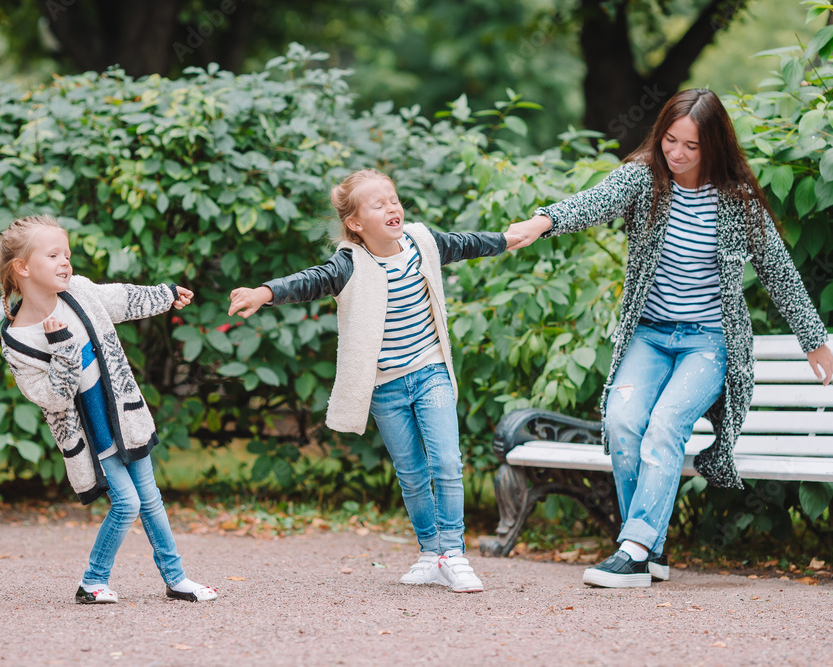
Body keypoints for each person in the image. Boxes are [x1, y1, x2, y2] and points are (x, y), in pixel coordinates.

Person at [504, 89, 833, 588]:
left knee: (665, 426)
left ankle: (633, 550)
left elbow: (780, 272)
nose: (675, 154)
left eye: (691, 146)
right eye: (669, 141)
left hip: (708, 342)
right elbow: (593, 202)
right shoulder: (644, 179)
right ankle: (649, 547)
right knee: (621, 422)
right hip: (650, 335)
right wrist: (542, 221)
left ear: (715, 147)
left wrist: (815, 342)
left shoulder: (736, 201)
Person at [228, 169, 507, 593]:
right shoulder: (350, 263)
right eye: (378, 205)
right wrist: (264, 292)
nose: (392, 207)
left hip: (430, 370)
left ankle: (454, 553)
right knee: (411, 475)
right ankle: (431, 554)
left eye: (393, 199)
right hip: (385, 386)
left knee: (447, 463)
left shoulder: (421, 242)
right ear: (356, 223)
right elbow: (310, 281)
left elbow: (469, 242)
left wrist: (511, 237)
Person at [0, 214, 218, 603]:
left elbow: (121, 298)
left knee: (150, 498)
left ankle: (176, 578)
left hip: (125, 417)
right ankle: (92, 581)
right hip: (92, 435)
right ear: (23, 268)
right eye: (53, 255)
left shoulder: (78, 292)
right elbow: (53, 397)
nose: (66, 261)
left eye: (67, 254)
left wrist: (165, 295)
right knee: (128, 503)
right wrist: (63, 346)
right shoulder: (18, 341)